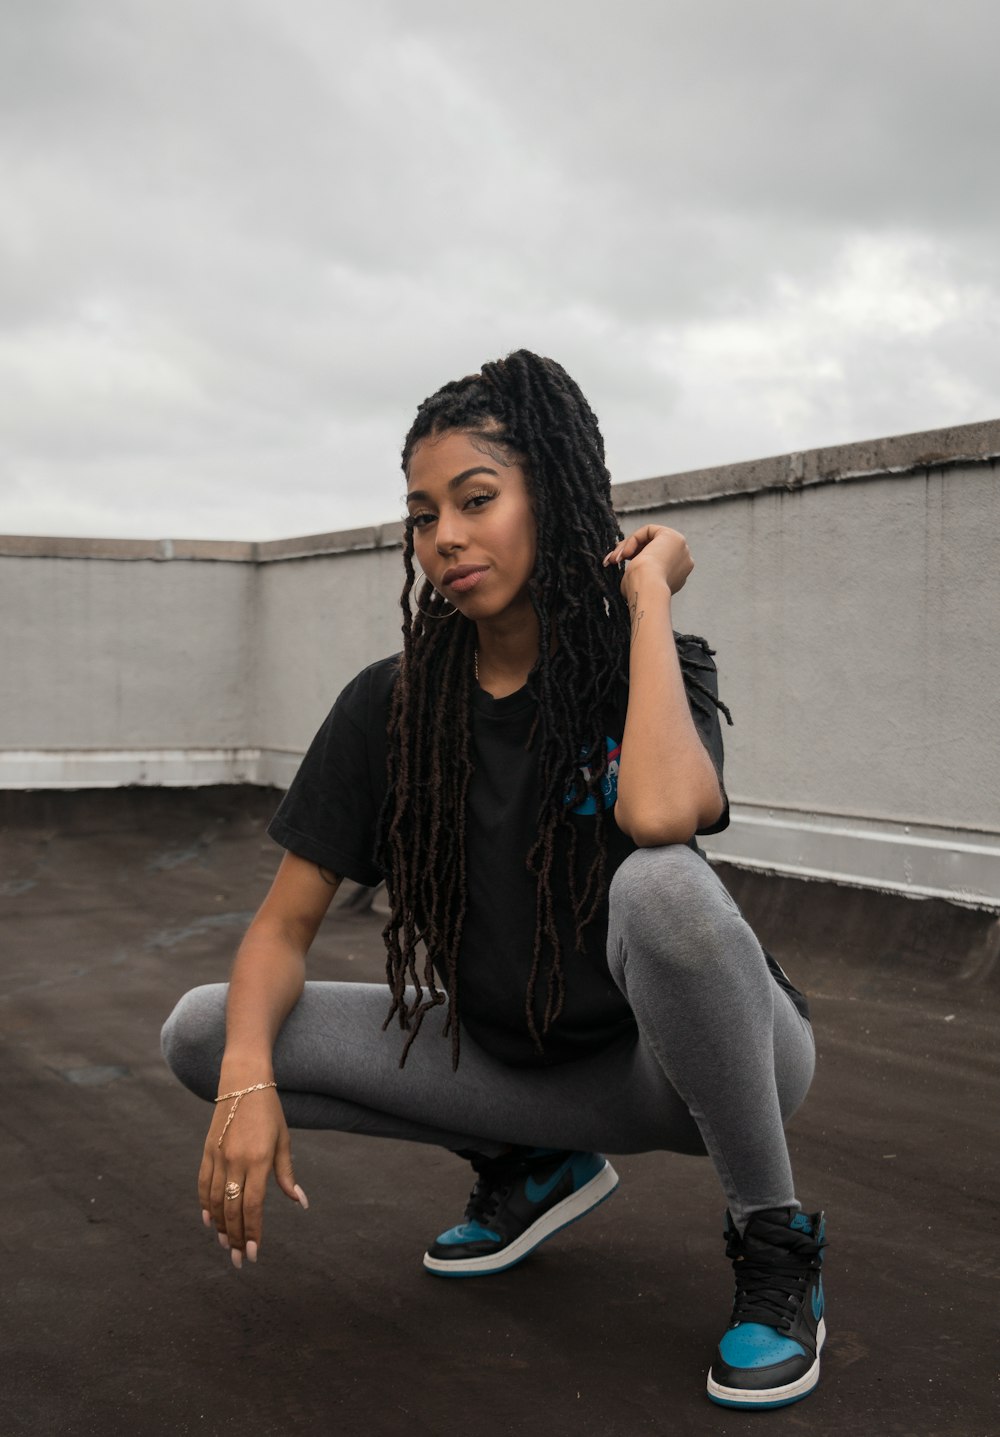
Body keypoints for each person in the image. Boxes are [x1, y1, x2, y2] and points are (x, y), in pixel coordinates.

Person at [161, 350, 826, 1410]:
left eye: (475, 500)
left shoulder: (651, 663)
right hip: (518, 1067)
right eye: (423, 516)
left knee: (659, 887)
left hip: (691, 1067)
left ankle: (774, 1241)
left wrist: (644, 601)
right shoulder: (389, 705)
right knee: (205, 1031)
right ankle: (530, 1162)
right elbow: (283, 929)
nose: (446, 539)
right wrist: (247, 1083)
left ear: (550, 497)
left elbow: (660, 818)